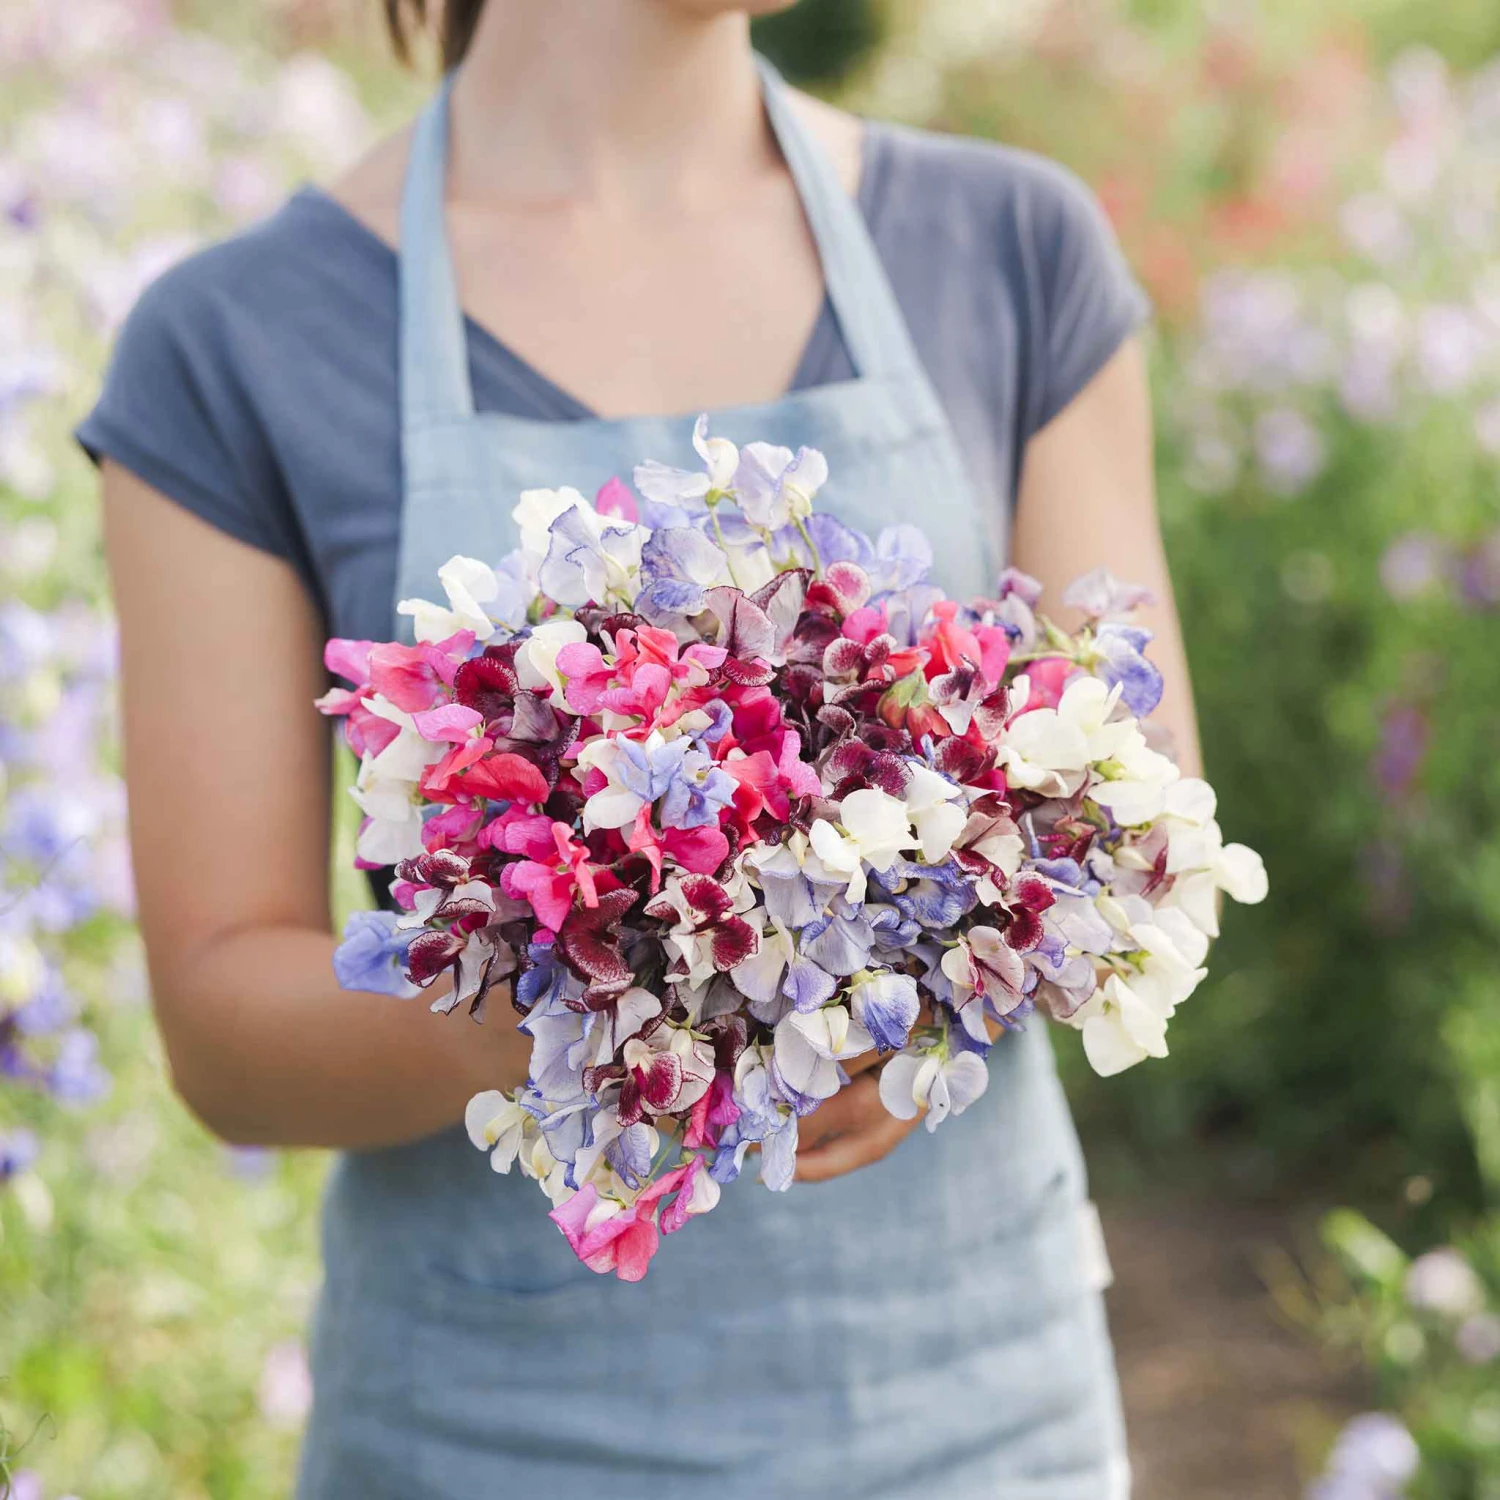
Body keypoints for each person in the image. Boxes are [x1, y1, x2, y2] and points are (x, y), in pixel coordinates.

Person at [81, 1, 1201, 1495]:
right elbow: (227, 1027)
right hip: (491, 1439)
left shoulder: (1005, 244)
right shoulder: (241, 340)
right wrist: (612, 996)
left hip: (979, 1415)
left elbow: (1146, 843)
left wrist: (889, 975)